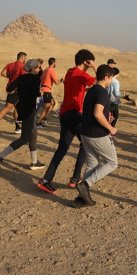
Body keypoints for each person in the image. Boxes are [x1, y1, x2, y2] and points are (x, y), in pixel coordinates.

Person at [35, 49, 96, 195]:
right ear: (85, 62)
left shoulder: (70, 72)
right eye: (88, 63)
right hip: (74, 113)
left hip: (64, 113)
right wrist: (94, 66)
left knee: (62, 148)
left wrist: (83, 89)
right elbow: (101, 82)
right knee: (87, 143)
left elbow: (77, 85)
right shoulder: (81, 73)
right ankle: (75, 178)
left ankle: (45, 180)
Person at [74, 65, 118, 207]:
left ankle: (81, 198)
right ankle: (86, 184)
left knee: (92, 163)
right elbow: (97, 114)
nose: (111, 81)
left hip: (85, 133)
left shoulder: (92, 90)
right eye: (111, 78)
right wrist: (110, 127)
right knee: (112, 162)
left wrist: (106, 118)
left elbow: (97, 113)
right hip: (97, 134)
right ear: (106, 77)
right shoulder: (102, 92)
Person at [0, 58, 45, 171]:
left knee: (34, 134)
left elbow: (10, 89)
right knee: (24, 138)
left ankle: (34, 162)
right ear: (35, 67)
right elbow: (35, 93)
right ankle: (0, 157)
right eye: (39, 67)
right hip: (29, 110)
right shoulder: (36, 79)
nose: (39, 69)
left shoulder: (20, 78)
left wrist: (19, 91)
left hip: (21, 108)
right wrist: (40, 92)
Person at [0, 52, 27, 136]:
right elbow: (24, 79)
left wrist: (11, 76)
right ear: (23, 58)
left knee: (17, 107)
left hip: (10, 87)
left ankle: (17, 127)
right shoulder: (22, 67)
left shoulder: (10, 65)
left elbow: (3, 73)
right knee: (7, 108)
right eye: (25, 59)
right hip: (15, 90)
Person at [38, 57, 63, 127]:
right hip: (47, 90)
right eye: (55, 62)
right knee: (47, 108)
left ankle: (44, 118)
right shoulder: (52, 71)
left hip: (44, 89)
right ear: (53, 63)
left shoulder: (45, 70)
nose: (56, 64)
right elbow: (57, 82)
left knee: (52, 103)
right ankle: (39, 122)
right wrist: (62, 80)